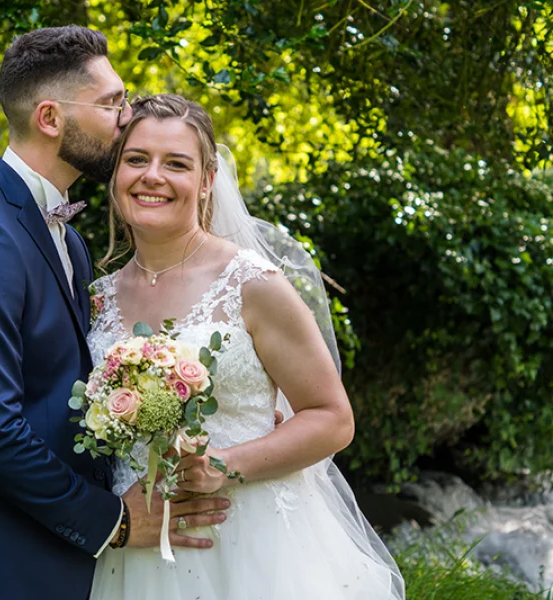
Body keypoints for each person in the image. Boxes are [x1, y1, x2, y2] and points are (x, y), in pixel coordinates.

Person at [0, 29, 228, 600]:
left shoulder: (67, 238)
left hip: (56, 555)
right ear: (50, 118)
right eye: (110, 103)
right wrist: (112, 522)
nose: (126, 119)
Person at [87, 94, 406, 599]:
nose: (152, 176)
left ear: (208, 180)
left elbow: (332, 417)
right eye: (136, 159)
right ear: (115, 172)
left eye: (176, 163)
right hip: (137, 546)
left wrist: (222, 465)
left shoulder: (252, 282)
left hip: (251, 544)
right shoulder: (96, 298)